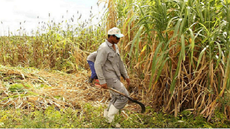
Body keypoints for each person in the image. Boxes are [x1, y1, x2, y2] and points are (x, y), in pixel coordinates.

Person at [94, 27, 130, 125]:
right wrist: (102, 81)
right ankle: (111, 120)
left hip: (115, 76)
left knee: (115, 97)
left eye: (119, 38)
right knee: (124, 96)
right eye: (117, 38)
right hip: (109, 78)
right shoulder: (104, 48)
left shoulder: (115, 47)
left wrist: (126, 76)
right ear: (111, 36)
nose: (119, 40)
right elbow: (98, 65)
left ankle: (106, 119)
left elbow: (120, 62)